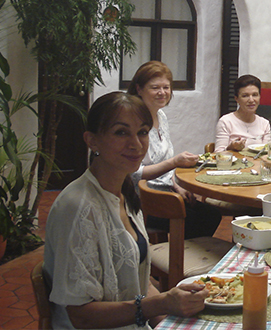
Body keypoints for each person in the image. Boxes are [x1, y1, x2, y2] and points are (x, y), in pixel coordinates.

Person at [44, 92, 208, 329]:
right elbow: (81, 316)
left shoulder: (125, 193)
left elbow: (142, 286)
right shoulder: (78, 207)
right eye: (121, 132)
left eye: (142, 132)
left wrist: (168, 322)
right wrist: (162, 303)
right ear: (92, 141)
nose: (136, 144)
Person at [128, 61, 221, 239]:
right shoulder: (134, 122)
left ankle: (183, 251)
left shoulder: (161, 116)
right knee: (196, 219)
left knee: (211, 214)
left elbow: (165, 163)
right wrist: (174, 162)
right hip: (143, 199)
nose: (162, 92)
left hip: (166, 192)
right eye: (155, 88)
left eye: (166, 87)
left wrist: (177, 186)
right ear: (139, 89)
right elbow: (133, 174)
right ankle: (178, 254)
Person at [215, 74, 271, 152]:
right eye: (245, 96)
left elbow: (267, 152)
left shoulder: (264, 124)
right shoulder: (226, 122)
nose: (251, 100)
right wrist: (231, 147)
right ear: (236, 99)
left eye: (255, 95)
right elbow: (218, 154)